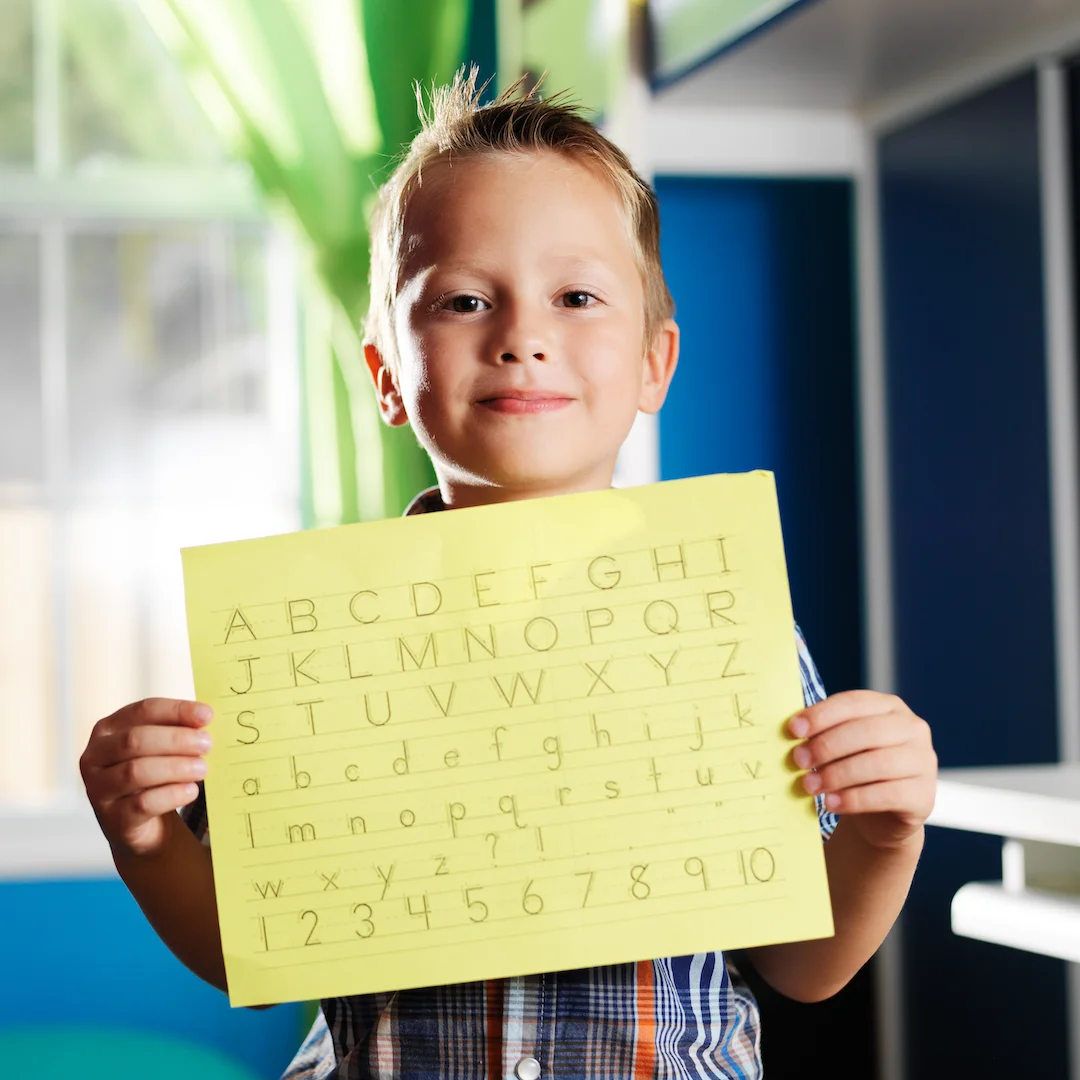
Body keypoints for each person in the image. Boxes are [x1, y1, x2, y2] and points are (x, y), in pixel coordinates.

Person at [80, 68, 938, 1080]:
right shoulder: (310, 648)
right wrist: (147, 843)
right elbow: (255, 949)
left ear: (656, 363)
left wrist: (884, 836)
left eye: (577, 296)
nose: (523, 337)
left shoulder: (729, 622)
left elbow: (803, 962)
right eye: (464, 299)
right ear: (388, 375)